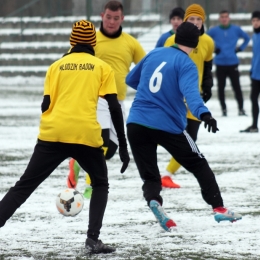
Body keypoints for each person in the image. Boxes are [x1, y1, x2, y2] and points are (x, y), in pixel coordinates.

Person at [0, 20, 130, 254]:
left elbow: (45, 104)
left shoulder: (56, 66)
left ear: (71, 40)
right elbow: (114, 107)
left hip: (53, 133)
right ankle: (92, 239)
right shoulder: (102, 67)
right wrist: (122, 143)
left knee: (25, 185)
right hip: (85, 134)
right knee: (100, 183)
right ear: (93, 42)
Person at [126, 22, 242, 231]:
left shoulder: (155, 53)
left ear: (176, 38)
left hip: (136, 123)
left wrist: (152, 93)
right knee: (198, 164)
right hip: (167, 125)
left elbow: (131, 79)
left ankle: (154, 201)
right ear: (196, 44)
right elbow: (192, 96)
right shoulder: (186, 64)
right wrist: (205, 114)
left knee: (150, 175)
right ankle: (219, 208)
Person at [66, 0, 146, 197]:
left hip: (118, 101)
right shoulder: (91, 40)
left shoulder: (130, 42)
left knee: (111, 150)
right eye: (108, 17)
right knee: (100, 143)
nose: (111, 22)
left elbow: (146, 66)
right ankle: (90, 185)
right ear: (102, 16)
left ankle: (76, 161)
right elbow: (69, 60)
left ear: (122, 19)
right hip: (97, 98)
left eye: (116, 18)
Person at [163, 3, 214, 188]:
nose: (194, 22)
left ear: (203, 21)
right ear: (185, 21)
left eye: (198, 19)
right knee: (168, 136)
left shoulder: (208, 42)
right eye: (191, 19)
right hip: (173, 98)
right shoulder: (171, 41)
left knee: (190, 139)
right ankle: (156, 174)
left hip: (194, 98)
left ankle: (167, 175)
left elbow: (208, 65)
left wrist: (208, 83)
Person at [207, 10, 250, 117]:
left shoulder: (236, 29)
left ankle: (241, 109)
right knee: (221, 87)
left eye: (226, 16)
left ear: (229, 18)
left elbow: (247, 38)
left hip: (232, 63)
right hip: (220, 63)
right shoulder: (214, 30)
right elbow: (204, 39)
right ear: (219, 19)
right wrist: (213, 49)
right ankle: (224, 109)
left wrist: (240, 49)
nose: (224, 18)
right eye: (222, 17)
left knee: (237, 87)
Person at [240, 11, 260, 133]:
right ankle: (254, 125)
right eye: (253, 20)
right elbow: (255, 55)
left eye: (257, 20)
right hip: (256, 75)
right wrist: (252, 69)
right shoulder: (255, 36)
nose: (255, 23)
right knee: (253, 99)